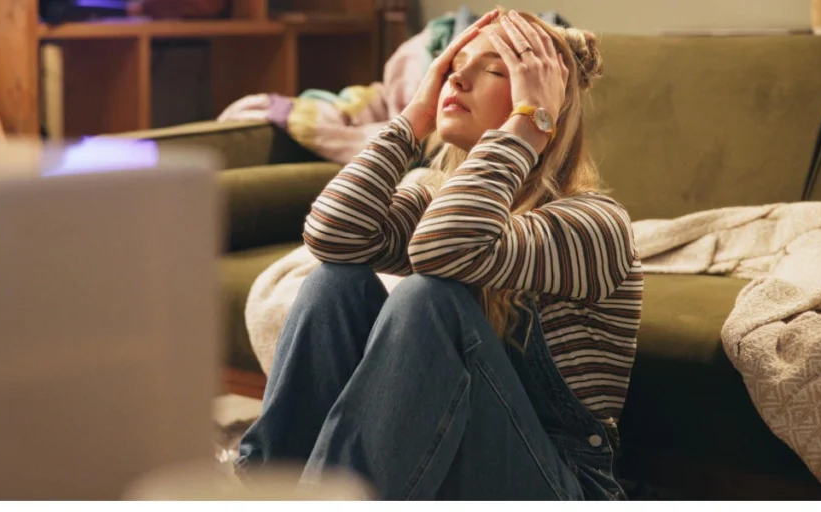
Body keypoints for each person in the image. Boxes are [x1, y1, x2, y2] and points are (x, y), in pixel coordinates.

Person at [236, 7, 643, 501]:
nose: (458, 80)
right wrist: (412, 120)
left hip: (560, 484)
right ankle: (267, 491)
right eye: (453, 67)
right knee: (333, 283)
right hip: (450, 457)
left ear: (545, 100)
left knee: (427, 298)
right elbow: (331, 237)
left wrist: (531, 125)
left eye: (495, 71)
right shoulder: (436, 195)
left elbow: (443, 250)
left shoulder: (595, 224)